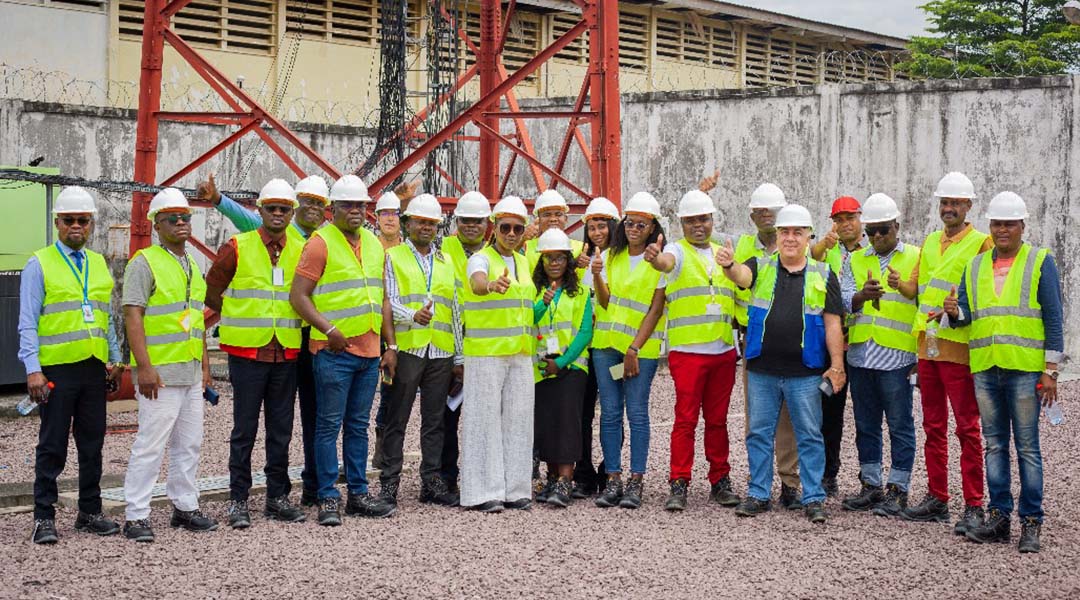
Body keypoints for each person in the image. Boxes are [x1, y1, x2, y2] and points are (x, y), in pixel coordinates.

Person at [197, 172, 328, 506]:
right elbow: (211, 291)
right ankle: (238, 499)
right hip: (248, 354)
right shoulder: (238, 246)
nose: (278, 214)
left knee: (280, 431)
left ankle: (277, 497)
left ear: (291, 211)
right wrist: (237, 314)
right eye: (272, 208)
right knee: (244, 430)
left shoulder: (303, 249)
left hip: (285, 352)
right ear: (261, 209)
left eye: (284, 209)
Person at [946, 191, 1064, 554]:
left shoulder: (1040, 261)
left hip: (1025, 371)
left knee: (1027, 448)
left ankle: (1032, 522)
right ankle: (999, 517)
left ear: (1022, 226)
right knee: (995, 445)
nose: (1002, 230)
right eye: (997, 223)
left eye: (1009, 223)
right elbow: (967, 317)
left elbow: (1054, 319)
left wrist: (1050, 371)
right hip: (986, 368)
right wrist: (953, 312)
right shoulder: (976, 265)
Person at [716, 204, 845, 524]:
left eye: (797, 233)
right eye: (785, 232)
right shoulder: (760, 266)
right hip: (762, 369)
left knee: (809, 435)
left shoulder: (824, 273)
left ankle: (813, 497)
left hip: (805, 370)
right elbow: (741, 276)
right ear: (777, 235)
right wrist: (730, 264)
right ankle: (759, 493)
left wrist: (838, 365)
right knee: (759, 434)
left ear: (808, 237)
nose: (790, 238)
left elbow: (832, 324)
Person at [289, 174, 396, 526]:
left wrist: (390, 344)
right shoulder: (320, 243)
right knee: (327, 426)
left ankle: (358, 494)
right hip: (334, 351)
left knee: (357, 426)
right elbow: (299, 297)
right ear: (331, 209)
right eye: (347, 205)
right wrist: (328, 329)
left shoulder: (375, 244)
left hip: (367, 351)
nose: (355, 211)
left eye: (360, 205)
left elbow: (382, 299)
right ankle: (327, 497)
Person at [19, 186, 124, 544]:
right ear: (57, 223)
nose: (75, 226)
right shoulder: (39, 263)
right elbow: (27, 322)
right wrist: (33, 369)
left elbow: (105, 317)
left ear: (91, 223)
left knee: (92, 444)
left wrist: (114, 357)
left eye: (82, 220)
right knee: (52, 445)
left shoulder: (98, 263)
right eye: (69, 221)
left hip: (93, 368)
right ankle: (43, 517)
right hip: (56, 371)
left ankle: (89, 511)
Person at [122, 188, 217, 543]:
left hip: (190, 372)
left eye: (185, 217)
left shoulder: (192, 264)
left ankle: (185, 505)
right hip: (159, 374)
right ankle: (136, 515)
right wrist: (143, 367)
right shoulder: (143, 262)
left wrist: (205, 364)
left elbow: (195, 320)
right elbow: (133, 315)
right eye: (172, 218)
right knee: (150, 444)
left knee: (189, 444)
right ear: (156, 225)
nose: (180, 222)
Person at [900, 172, 992, 534]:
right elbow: (920, 291)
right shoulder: (930, 241)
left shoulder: (982, 244)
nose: (949, 208)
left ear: (969, 206)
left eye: (956, 203)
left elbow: (986, 298)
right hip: (928, 346)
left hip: (959, 348)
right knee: (933, 426)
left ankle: (974, 505)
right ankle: (938, 497)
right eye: (945, 202)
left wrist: (957, 313)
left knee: (967, 428)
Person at [706, 178, 803, 510]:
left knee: (790, 418)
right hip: (756, 340)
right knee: (758, 418)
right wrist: (703, 194)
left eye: (771, 211)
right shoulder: (743, 246)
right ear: (751, 215)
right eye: (760, 211)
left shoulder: (797, 246)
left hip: (794, 341)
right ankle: (759, 485)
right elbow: (705, 239)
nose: (766, 216)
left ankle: (790, 483)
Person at [649, 190, 741, 512]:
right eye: (691, 221)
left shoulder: (723, 253)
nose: (698, 225)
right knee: (685, 421)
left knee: (718, 422)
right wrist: (654, 257)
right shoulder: (677, 250)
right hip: (688, 353)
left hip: (722, 351)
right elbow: (666, 262)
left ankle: (720, 480)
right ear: (682, 223)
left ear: (712, 220)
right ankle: (679, 482)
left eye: (703, 219)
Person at [378, 193, 462, 508]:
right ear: (408, 223)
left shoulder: (445, 261)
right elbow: (390, 299)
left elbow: (454, 308)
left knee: (435, 420)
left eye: (432, 223)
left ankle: (431, 482)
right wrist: (411, 316)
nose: (426, 227)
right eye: (420, 222)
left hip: (440, 351)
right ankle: (389, 484)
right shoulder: (395, 256)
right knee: (396, 417)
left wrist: (459, 355)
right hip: (410, 348)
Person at [838, 194, 919, 517]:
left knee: (900, 424)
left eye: (883, 230)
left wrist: (904, 288)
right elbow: (844, 299)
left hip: (897, 357)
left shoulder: (915, 256)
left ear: (897, 226)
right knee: (865, 424)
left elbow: (924, 301)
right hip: (861, 355)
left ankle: (898, 489)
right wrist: (861, 296)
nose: (876, 238)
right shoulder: (856, 259)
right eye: (870, 232)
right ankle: (871, 485)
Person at [459, 195, 537, 512]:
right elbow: (477, 283)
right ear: (495, 227)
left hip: (519, 353)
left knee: (519, 420)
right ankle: (481, 491)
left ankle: (516, 488)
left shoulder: (523, 262)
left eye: (518, 229)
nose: (511, 234)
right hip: (486, 352)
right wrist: (489, 285)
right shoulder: (481, 258)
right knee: (483, 420)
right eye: (505, 227)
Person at [590, 192, 667, 510]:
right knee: (609, 414)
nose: (634, 228)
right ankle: (613, 478)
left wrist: (635, 348)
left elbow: (655, 309)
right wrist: (596, 274)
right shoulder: (612, 256)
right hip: (607, 348)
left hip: (639, 353)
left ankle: (636, 481)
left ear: (652, 227)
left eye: (642, 223)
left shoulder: (659, 261)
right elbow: (606, 302)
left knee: (636, 413)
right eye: (630, 222)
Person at [531, 229, 593, 508]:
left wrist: (562, 362)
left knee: (567, 422)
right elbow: (528, 321)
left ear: (568, 261)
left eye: (560, 258)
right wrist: (541, 305)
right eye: (549, 258)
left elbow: (585, 332)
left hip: (570, 367)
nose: (554, 263)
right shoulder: (535, 291)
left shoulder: (579, 291)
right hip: (542, 366)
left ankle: (565, 481)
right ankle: (553, 477)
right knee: (547, 423)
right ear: (541, 262)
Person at [809, 196, 866, 496]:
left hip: (864, 342)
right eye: (839, 219)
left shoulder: (873, 251)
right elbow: (811, 259)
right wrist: (823, 246)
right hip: (830, 342)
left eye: (850, 218)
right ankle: (827, 473)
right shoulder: (827, 251)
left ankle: (870, 480)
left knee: (866, 415)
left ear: (860, 219)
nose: (845, 224)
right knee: (829, 412)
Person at [438, 190, 492, 494]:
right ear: (456, 221)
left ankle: (479, 476)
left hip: (485, 347)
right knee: (445, 418)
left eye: (477, 221)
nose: (471, 226)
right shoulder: (442, 248)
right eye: (465, 220)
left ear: (487, 224)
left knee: (483, 418)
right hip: (448, 346)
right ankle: (445, 477)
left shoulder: (496, 255)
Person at [571, 197, 619, 498]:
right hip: (585, 347)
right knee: (583, 412)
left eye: (602, 225)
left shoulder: (623, 259)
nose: (597, 231)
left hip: (612, 345)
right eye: (592, 226)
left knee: (613, 412)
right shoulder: (579, 260)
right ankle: (584, 471)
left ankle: (609, 468)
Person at [523, 189, 586, 271]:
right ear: (538, 220)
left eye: (558, 214)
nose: (553, 219)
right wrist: (521, 240)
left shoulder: (582, 248)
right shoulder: (525, 247)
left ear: (566, 219)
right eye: (547, 215)